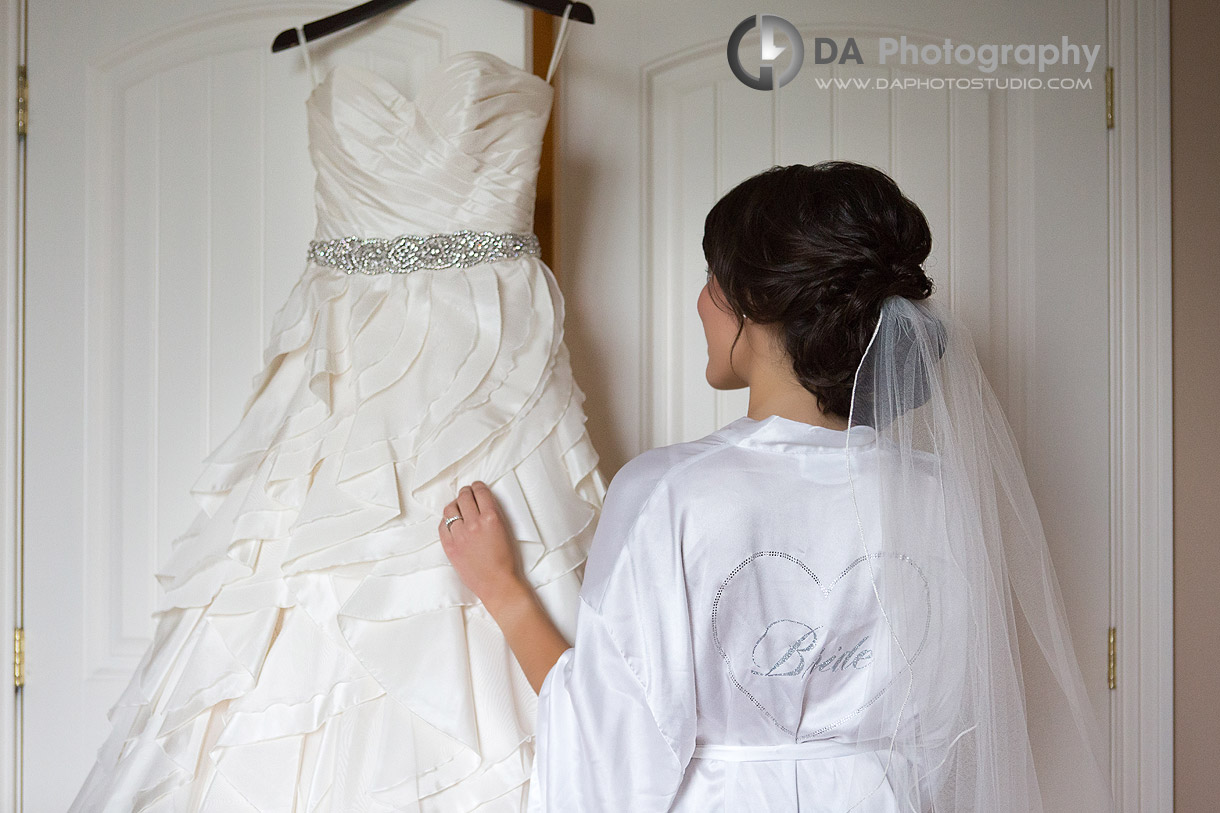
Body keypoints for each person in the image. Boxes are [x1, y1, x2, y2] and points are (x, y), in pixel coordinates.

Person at [439, 161, 1114, 811]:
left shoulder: (672, 492)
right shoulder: (942, 498)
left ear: (754, 301)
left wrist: (505, 593)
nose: (701, 302)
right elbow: (951, 739)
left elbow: (605, 759)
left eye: (712, 278)